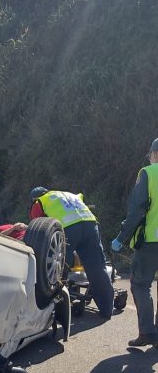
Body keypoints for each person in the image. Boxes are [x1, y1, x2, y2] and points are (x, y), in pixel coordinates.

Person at [29, 187, 114, 318]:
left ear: (35, 198)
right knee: (97, 267)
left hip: (68, 227)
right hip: (90, 224)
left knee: (59, 269)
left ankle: (56, 310)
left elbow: (38, 229)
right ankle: (107, 309)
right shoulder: (68, 195)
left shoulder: (40, 201)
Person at [111, 138, 158, 347]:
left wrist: (122, 238)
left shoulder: (149, 173)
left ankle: (147, 333)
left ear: (154, 154)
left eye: (150, 155)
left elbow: (137, 210)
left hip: (150, 241)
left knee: (140, 285)